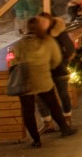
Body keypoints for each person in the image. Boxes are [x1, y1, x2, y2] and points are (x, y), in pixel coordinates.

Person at [9, 16, 75, 146]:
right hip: (43, 79)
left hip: (25, 81)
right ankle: (64, 129)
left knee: (28, 111)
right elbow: (56, 60)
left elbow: (13, 61)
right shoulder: (48, 41)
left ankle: (36, 140)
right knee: (53, 105)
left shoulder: (19, 44)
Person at [48, 14, 78, 124]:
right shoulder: (41, 34)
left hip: (59, 69)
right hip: (45, 70)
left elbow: (70, 50)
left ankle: (67, 117)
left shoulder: (60, 33)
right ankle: (48, 121)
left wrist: (61, 60)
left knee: (62, 93)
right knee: (46, 98)